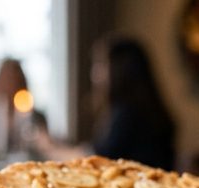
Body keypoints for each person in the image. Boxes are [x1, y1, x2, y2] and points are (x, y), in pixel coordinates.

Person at [34, 37, 177, 170]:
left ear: (119, 70)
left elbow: (95, 160)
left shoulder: (129, 113)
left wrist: (48, 147)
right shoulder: (146, 110)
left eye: (100, 65)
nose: (94, 74)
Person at [0, 59, 47, 156]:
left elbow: (44, 148)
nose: (10, 85)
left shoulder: (37, 118)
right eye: (5, 79)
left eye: (14, 79)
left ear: (22, 83)